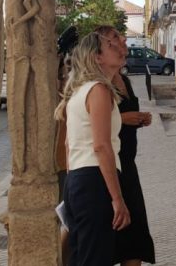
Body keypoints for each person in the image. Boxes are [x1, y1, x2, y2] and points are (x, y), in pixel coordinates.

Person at [54, 32, 130, 266]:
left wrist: (72, 184)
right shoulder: (98, 90)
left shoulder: (79, 91)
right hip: (94, 181)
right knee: (96, 258)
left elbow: (68, 146)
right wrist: (117, 198)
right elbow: (101, 146)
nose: (118, 47)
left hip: (78, 179)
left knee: (83, 257)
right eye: (110, 45)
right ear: (97, 57)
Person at [95, 26, 156, 265]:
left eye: (121, 39)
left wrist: (139, 119)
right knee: (108, 241)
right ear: (98, 54)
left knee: (135, 241)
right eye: (114, 41)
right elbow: (93, 133)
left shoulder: (125, 81)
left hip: (128, 167)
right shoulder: (99, 86)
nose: (123, 43)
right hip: (109, 168)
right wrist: (124, 119)